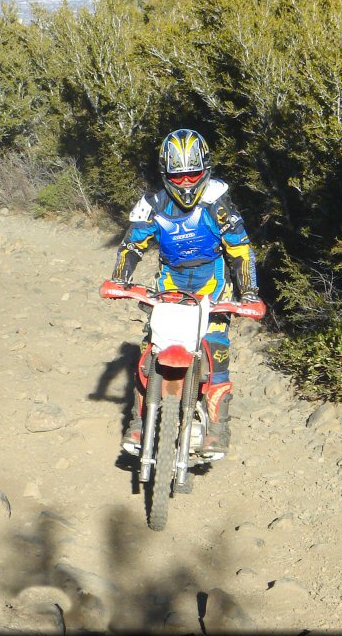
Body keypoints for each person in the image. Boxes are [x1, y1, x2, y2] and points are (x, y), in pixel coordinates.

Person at [112, 128, 260, 459]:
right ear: (165, 174)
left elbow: (240, 248)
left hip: (213, 281)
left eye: (193, 173)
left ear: (205, 168)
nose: (186, 183)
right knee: (151, 347)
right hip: (170, 282)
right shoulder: (152, 205)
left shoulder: (216, 201)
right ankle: (138, 421)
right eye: (177, 176)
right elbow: (132, 244)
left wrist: (249, 292)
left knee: (216, 347)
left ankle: (216, 428)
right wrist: (120, 279)